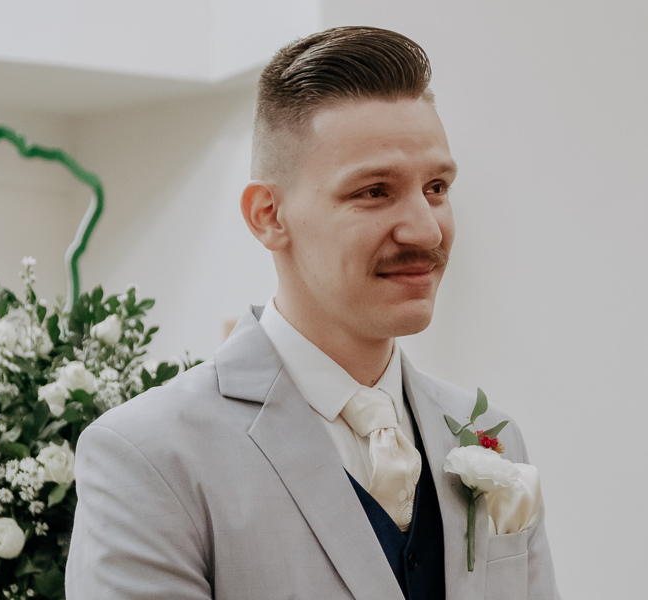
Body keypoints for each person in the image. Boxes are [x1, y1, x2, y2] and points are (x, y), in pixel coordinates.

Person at [65, 26, 559, 600]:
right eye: (375, 190)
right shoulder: (149, 458)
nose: (426, 229)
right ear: (269, 215)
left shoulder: (489, 435)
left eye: (436, 187)